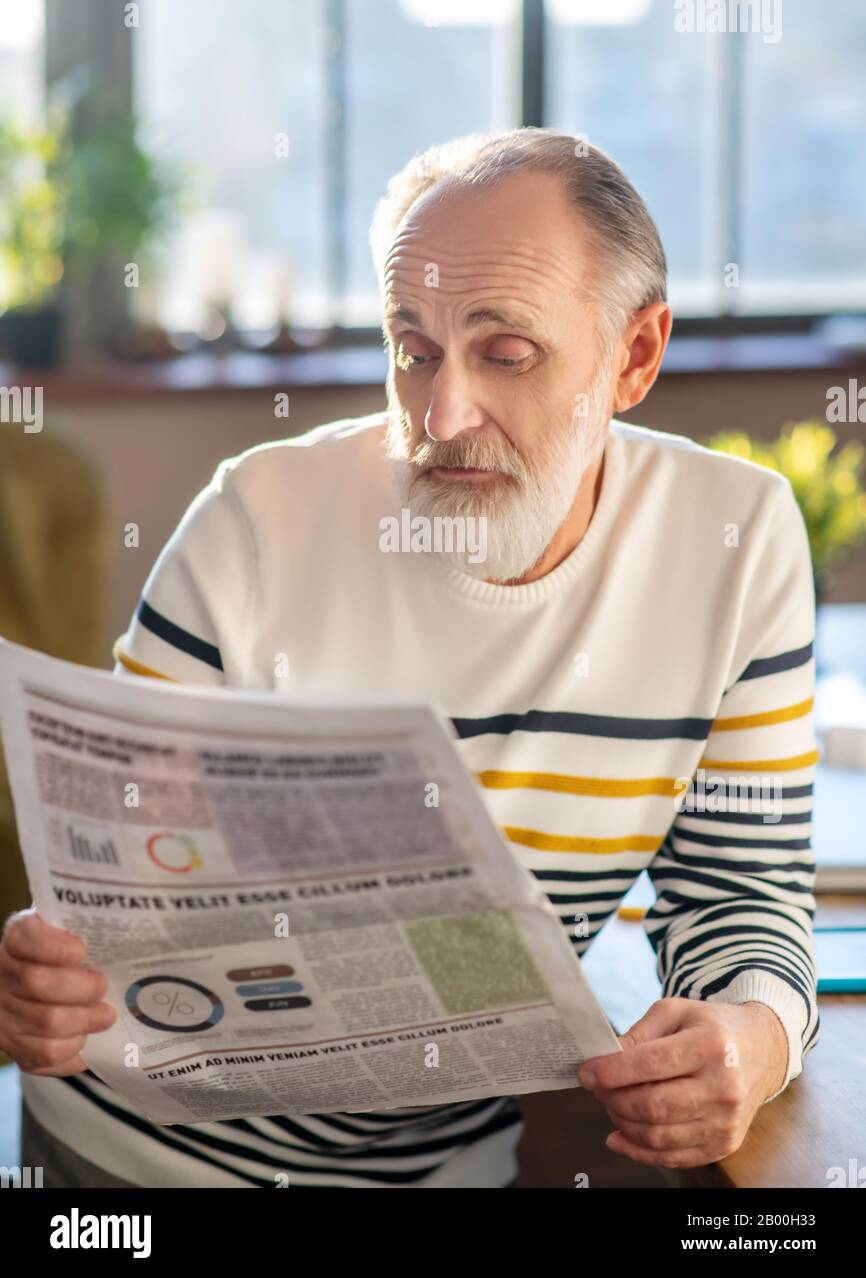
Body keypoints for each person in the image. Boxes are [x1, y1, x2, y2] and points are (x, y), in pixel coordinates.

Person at [0, 128, 819, 1188]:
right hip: (141, 1156)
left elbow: (737, 889)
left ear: (633, 356)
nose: (439, 414)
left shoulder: (736, 538)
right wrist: (42, 971)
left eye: (505, 352)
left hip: (434, 1167)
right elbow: (106, 885)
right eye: (411, 346)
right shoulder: (256, 517)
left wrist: (753, 1037)